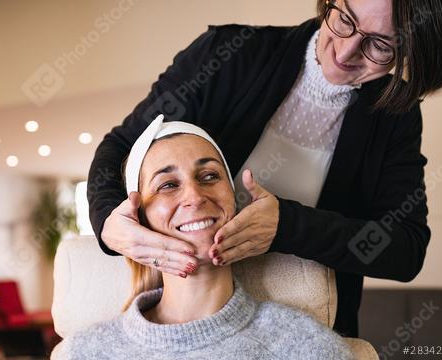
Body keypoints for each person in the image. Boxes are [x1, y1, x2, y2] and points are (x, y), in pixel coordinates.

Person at [87, 0, 442, 337]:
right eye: (345, 20)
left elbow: (405, 250)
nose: (346, 51)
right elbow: (121, 147)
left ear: (407, 52)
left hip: (311, 328)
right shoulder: (230, 54)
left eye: (380, 45)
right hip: (197, 317)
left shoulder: (394, 115)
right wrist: (107, 222)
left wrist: (287, 226)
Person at [54, 118, 355, 359]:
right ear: (139, 220)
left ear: (234, 200)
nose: (195, 197)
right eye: (168, 184)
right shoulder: (85, 352)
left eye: (210, 176)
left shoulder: (305, 347)